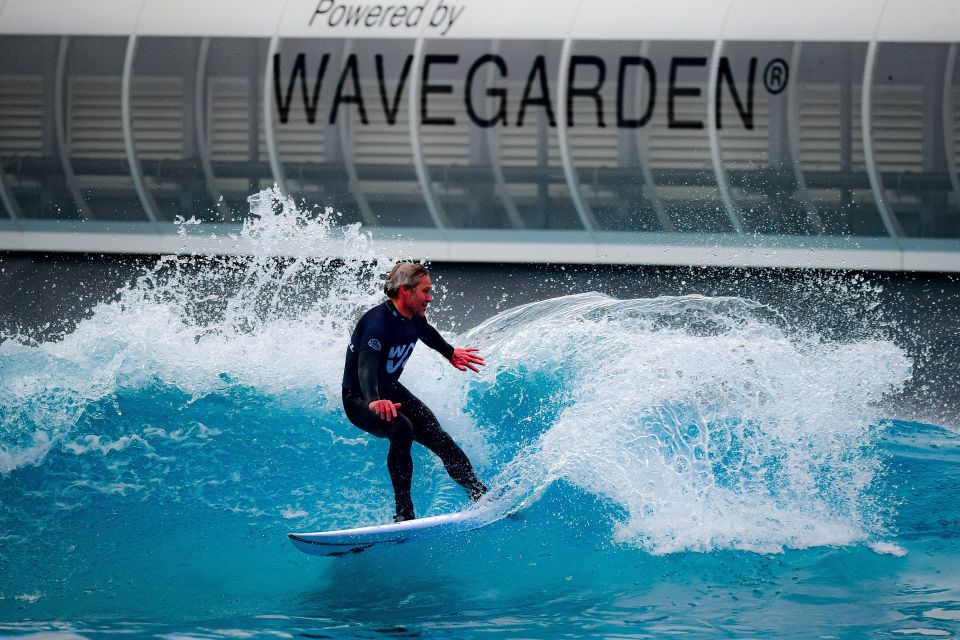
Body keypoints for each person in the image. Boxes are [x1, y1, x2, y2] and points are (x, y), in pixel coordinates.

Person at [341, 262, 488, 522]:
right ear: (405, 291)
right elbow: (365, 367)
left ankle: (480, 495)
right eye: (425, 291)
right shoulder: (377, 323)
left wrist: (450, 352)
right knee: (402, 428)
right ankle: (404, 514)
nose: (430, 298)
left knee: (438, 436)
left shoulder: (414, 317)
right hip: (360, 399)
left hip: (391, 390)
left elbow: (426, 333)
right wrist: (374, 401)